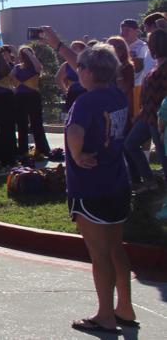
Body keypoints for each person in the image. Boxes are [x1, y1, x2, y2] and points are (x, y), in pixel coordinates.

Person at [43, 27, 136, 334]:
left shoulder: (85, 102)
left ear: (87, 72)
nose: (75, 69)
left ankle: (105, 316)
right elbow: (85, 62)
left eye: (79, 67)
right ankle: (124, 308)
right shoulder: (117, 94)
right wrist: (59, 45)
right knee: (116, 248)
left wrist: (78, 154)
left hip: (92, 187)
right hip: (118, 181)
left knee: (99, 255)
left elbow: (74, 132)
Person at [126, 29, 167, 193]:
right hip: (147, 116)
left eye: (150, 43)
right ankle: (149, 179)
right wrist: (140, 114)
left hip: (159, 119)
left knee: (163, 155)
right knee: (130, 144)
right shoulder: (156, 65)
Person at [11, 46, 50, 159]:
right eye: (22, 54)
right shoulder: (17, 67)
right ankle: (23, 150)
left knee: (36, 123)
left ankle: (42, 149)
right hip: (20, 97)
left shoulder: (34, 68)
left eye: (25, 54)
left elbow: (39, 67)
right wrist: (13, 88)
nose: (23, 56)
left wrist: (28, 52)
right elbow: (9, 78)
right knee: (21, 124)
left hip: (33, 96)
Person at [121, 19, 151, 120]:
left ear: (136, 31)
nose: (123, 33)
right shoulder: (119, 46)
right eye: (122, 30)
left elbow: (138, 68)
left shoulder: (142, 46)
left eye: (127, 30)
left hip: (136, 86)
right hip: (121, 86)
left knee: (134, 116)